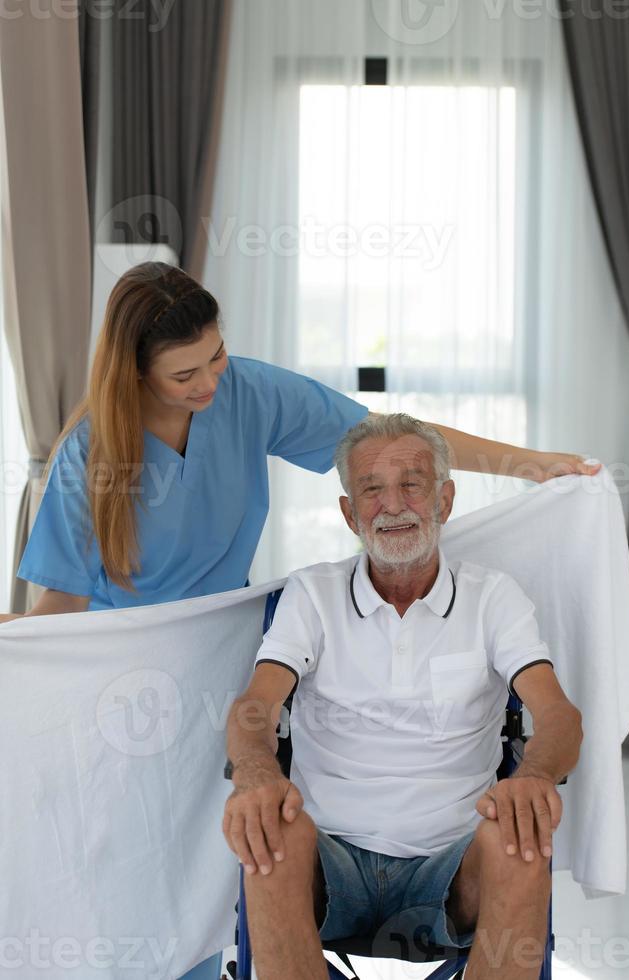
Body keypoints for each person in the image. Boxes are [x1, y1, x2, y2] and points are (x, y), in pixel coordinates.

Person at [0, 263, 594, 980]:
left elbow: (385, 441)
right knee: (135, 870)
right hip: (125, 684)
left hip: (223, 651)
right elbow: (55, 614)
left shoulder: (247, 393)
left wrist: (531, 466)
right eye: (184, 373)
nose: (209, 384)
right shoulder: (88, 454)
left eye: (215, 356)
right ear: (134, 372)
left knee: (215, 868)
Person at [223, 413, 583, 980]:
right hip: (329, 857)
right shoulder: (313, 594)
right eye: (372, 489)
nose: (393, 506)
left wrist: (533, 778)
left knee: (520, 838)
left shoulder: (494, 597)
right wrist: (254, 771)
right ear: (349, 513)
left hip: (453, 862)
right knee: (272, 831)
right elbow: (255, 708)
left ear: (444, 499)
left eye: (411, 485)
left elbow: (558, 714)